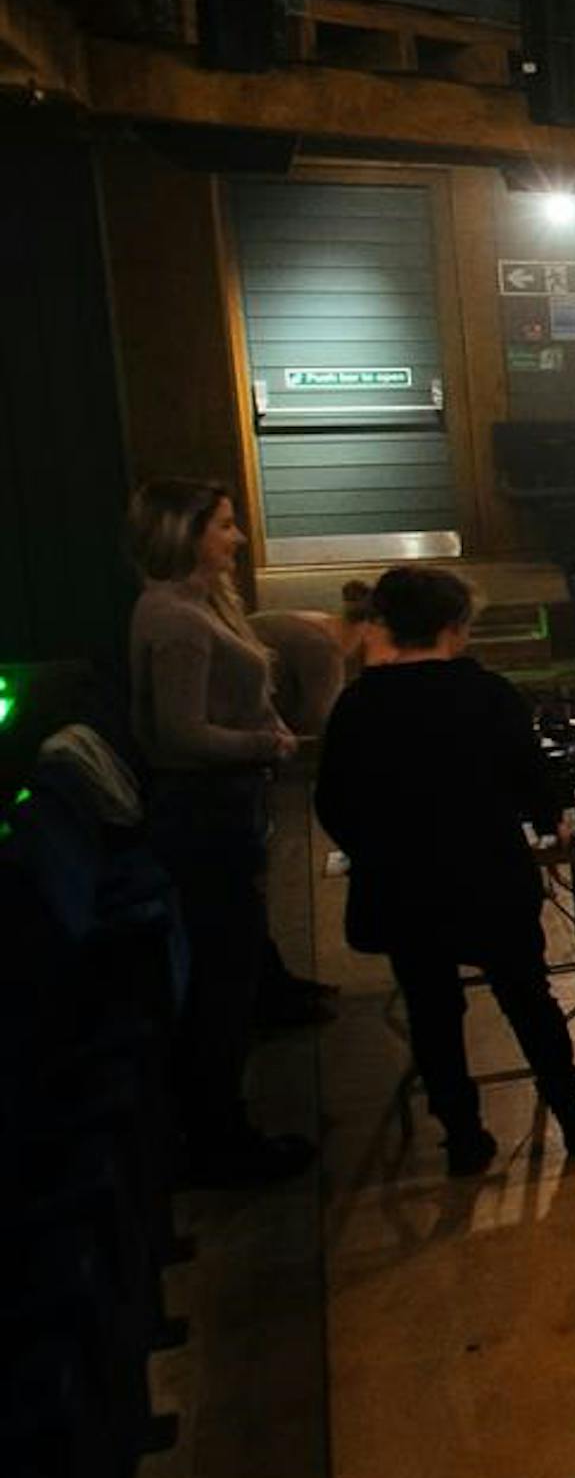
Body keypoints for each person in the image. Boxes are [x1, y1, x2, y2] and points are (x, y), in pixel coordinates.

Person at [316, 566, 575, 1175]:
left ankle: (464, 1137)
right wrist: (549, 816)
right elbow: (530, 780)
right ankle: (574, 1114)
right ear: (456, 627)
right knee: (527, 996)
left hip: (402, 888)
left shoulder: (358, 704)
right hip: (488, 876)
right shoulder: (488, 695)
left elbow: (334, 803)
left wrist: (378, 848)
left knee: (432, 1009)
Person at [125, 477, 320, 1186]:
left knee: (234, 968)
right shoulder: (174, 617)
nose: (238, 538)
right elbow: (177, 733)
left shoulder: (195, 604)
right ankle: (219, 1136)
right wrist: (268, 744)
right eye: (227, 526)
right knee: (220, 981)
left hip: (224, 808)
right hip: (202, 814)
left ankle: (220, 1121)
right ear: (187, 533)